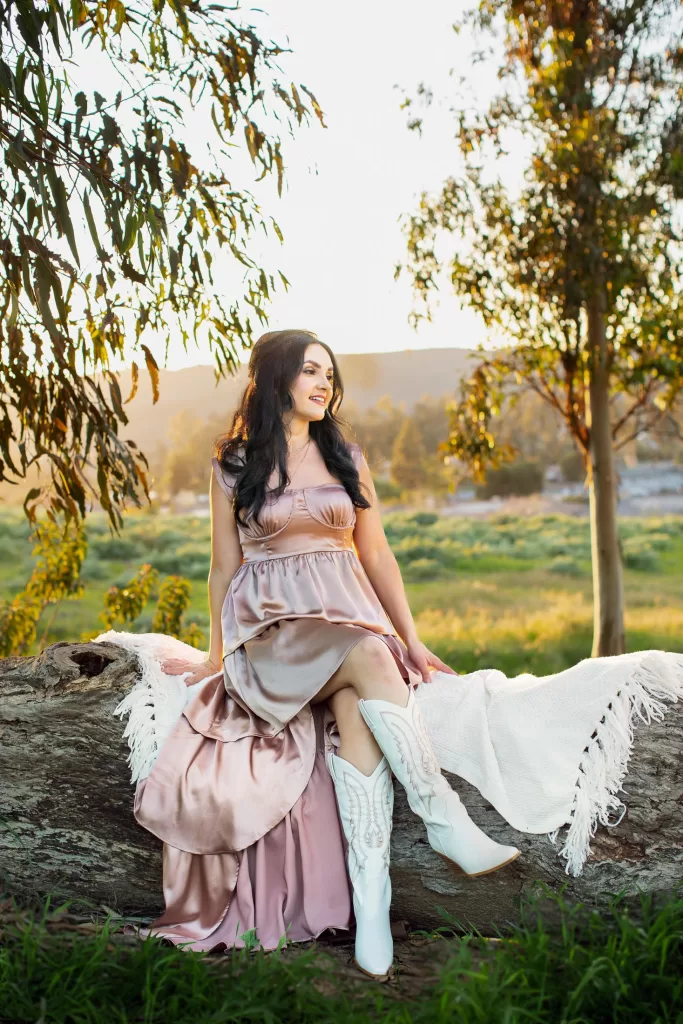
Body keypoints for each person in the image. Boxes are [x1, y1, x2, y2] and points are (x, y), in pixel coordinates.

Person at [134, 328, 519, 980]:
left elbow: (376, 553)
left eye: (329, 375)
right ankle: (439, 816)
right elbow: (222, 566)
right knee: (366, 657)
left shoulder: (344, 453)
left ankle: (371, 905)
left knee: (355, 693)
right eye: (311, 371)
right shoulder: (234, 462)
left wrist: (413, 637)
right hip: (273, 631)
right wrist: (215, 653)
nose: (323, 384)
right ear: (277, 376)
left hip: (346, 623)